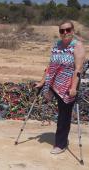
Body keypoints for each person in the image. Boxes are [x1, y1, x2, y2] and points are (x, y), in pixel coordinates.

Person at [35, 20, 86, 154]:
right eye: (62, 31)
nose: (65, 33)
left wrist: (74, 87)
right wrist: (42, 81)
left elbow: (78, 69)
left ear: (73, 31)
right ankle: (59, 140)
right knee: (57, 110)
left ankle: (60, 144)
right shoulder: (57, 45)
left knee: (64, 115)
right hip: (54, 81)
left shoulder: (77, 46)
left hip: (69, 85)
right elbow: (51, 65)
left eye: (67, 30)